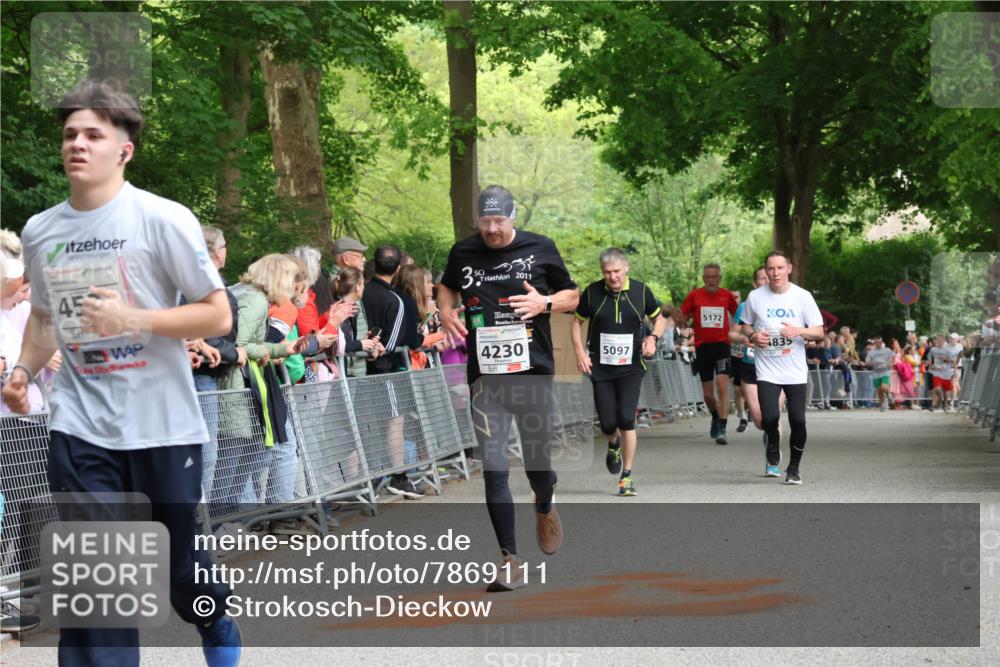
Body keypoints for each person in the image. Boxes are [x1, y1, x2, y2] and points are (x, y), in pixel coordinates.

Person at [1, 81, 239, 666]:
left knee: (181, 570)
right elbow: (45, 319)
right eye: (69, 135)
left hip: (163, 426)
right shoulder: (41, 231)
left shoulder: (162, 219)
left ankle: (214, 621)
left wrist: (131, 317)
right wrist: (23, 370)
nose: (76, 145)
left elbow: (218, 313)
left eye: (92, 135)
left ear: (124, 150)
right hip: (81, 429)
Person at [438, 184, 579, 591]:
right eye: (486, 222)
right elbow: (447, 285)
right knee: (494, 469)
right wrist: (446, 309)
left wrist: (545, 304)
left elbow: (573, 296)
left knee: (538, 466)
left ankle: (544, 501)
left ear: (514, 217)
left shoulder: (541, 247)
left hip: (531, 372)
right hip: (485, 378)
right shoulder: (463, 251)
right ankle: (509, 560)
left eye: (500, 221)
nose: (493, 230)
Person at [571, 248, 665, 497]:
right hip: (601, 366)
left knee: (626, 418)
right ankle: (613, 444)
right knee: (608, 423)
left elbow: (661, 319)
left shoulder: (641, 291)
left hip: (631, 366)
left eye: (616, 272)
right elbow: (576, 323)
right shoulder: (592, 292)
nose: (612, 277)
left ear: (626, 269)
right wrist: (580, 352)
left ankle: (627, 476)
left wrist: (653, 338)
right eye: (607, 272)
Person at [738, 251, 825, 484]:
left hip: (794, 370)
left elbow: (819, 331)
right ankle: (773, 441)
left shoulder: (802, 296)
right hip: (767, 369)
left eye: (779, 268)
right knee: (769, 417)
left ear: (789, 268)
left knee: (798, 420)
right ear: (766, 271)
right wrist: (755, 334)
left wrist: (799, 331)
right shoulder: (755, 297)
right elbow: (744, 326)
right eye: (770, 269)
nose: (775, 273)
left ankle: (794, 468)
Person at [362, 245, 426, 498]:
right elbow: (393, 342)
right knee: (394, 421)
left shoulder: (362, 291)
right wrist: (375, 350)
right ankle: (399, 476)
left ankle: (371, 476)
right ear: (398, 268)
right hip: (384, 370)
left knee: (369, 423)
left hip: (359, 369)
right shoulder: (395, 300)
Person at [681, 263, 738, 444]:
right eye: (708, 277)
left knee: (722, 385)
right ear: (703, 278)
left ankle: (722, 428)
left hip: (722, 346)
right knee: (707, 395)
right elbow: (683, 316)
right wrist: (683, 326)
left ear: (719, 278)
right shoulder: (695, 296)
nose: (711, 280)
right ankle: (714, 415)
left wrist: (738, 333)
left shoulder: (726, 295)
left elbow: (739, 317)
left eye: (714, 277)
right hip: (703, 347)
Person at [729, 266, 769, 430]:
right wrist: (745, 337)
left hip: (778, 362)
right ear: (755, 283)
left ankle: (773, 436)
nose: (767, 280)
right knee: (759, 417)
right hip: (750, 361)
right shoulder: (745, 306)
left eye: (769, 277)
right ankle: (746, 417)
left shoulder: (788, 301)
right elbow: (732, 335)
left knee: (772, 411)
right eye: (762, 278)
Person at [927, 334, 960, 412]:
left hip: (946, 373)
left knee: (946, 391)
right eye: (937, 340)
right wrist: (931, 364)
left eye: (941, 340)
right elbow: (929, 357)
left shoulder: (948, 350)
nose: (939, 341)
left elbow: (954, 361)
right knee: (937, 388)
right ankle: (936, 403)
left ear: (944, 341)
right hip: (936, 372)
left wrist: (946, 359)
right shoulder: (933, 349)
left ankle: (944, 404)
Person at [865, 336, 896, 412]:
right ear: (875, 343)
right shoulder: (871, 352)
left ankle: (889, 396)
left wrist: (891, 364)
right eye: (877, 342)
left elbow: (893, 357)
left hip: (885, 371)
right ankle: (884, 406)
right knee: (879, 390)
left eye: (880, 342)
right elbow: (867, 361)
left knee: (884, 387)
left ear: (882, 342)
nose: (878, 343)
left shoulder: (887, 350)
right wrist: (869, 363)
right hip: (876, 372)